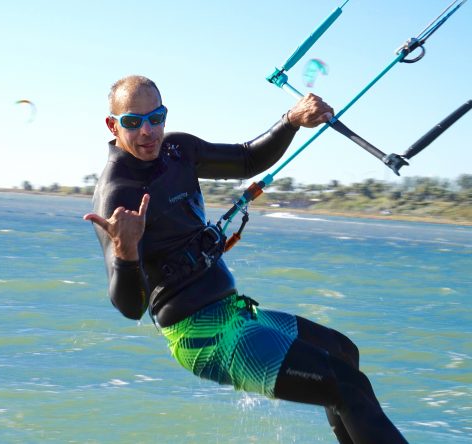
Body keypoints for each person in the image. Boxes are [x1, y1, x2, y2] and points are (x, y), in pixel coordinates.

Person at [84, 75, 408, 444]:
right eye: (133, 122)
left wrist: (290, 121)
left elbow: (246, 159)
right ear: (113, 125)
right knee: (346, 387)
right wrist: (126, 253)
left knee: (344, 354)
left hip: (236, 314)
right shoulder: (117, 197)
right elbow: (130, 308)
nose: (148, 131)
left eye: (156, 117)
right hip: (202, 337)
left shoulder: (178, 151)